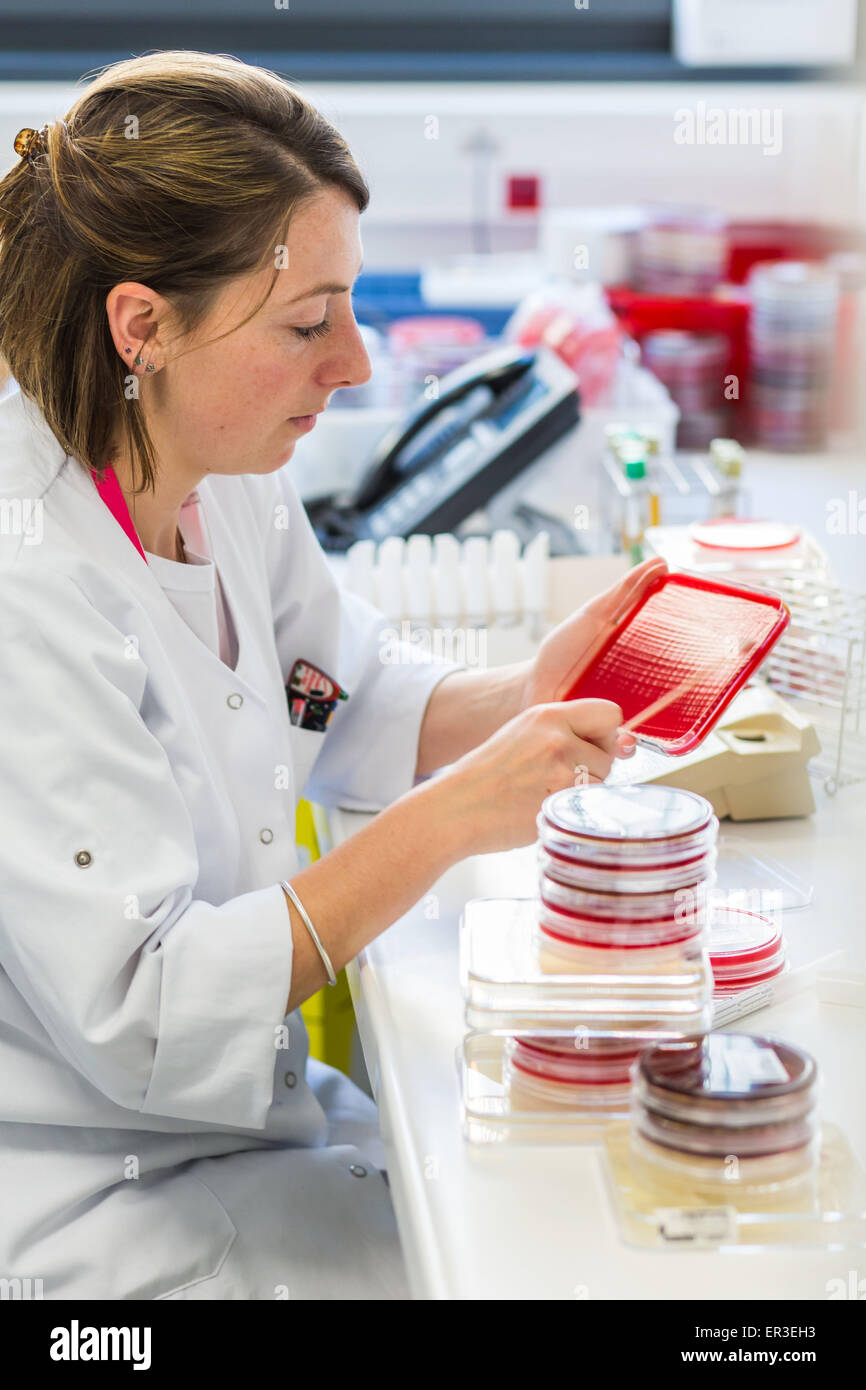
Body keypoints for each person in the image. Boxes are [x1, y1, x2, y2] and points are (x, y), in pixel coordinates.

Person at [0, 50, 665, 1300]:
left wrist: (523, 695)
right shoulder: (28, 580)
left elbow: (335, 689)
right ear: (142, 326)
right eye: (308, 324)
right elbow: (144, 1012)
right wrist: (454, 818)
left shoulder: (217, 470)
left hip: (247, 1140)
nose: (352, 363)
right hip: (91, 1211)